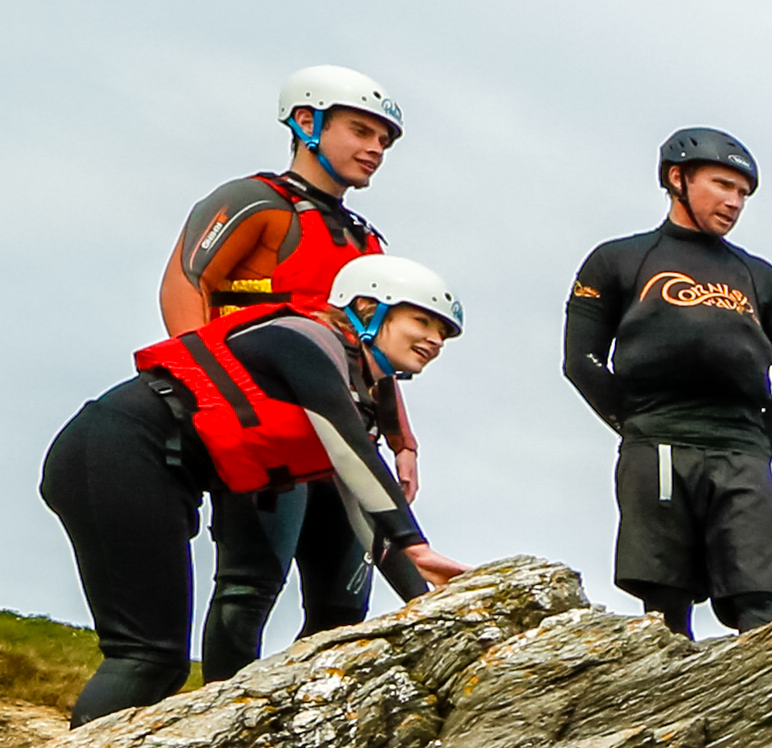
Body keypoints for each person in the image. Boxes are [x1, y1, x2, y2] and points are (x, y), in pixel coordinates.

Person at [41, 253, 469, 721]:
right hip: (115, 451)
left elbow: (363, 508)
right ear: (368, 308)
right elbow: (355, 456)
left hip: (152, 467)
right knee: (147, 656)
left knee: (159, 663)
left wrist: (425, 600)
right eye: (422, 321)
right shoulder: (305, 339)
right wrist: (415, 545)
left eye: (443, 332)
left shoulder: (355, 386)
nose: (435, 339)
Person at [154, 65, 422, 657]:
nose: (376, 149)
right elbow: (186, 285)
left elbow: (371, 348)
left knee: (343, 610)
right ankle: (225, 708)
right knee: (250, 587)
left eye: (384, 140)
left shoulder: (367, 242)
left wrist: (401, 440)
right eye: (361, 131)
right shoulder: (255, 202)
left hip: (345, 433)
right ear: (306, 122)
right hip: (265, 422)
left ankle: (308, 714)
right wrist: (209, 396)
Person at [563, 126, 772, 638]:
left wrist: (755, 449)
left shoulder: (760, 276)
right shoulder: (618, 259)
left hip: (742, 446)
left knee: (760, 602)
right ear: (677, 178)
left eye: (743, 193)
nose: (734, 202)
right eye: (722, 185)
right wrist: (637, 425)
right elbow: (581, 361)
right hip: (656, 444)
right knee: (664, 603)